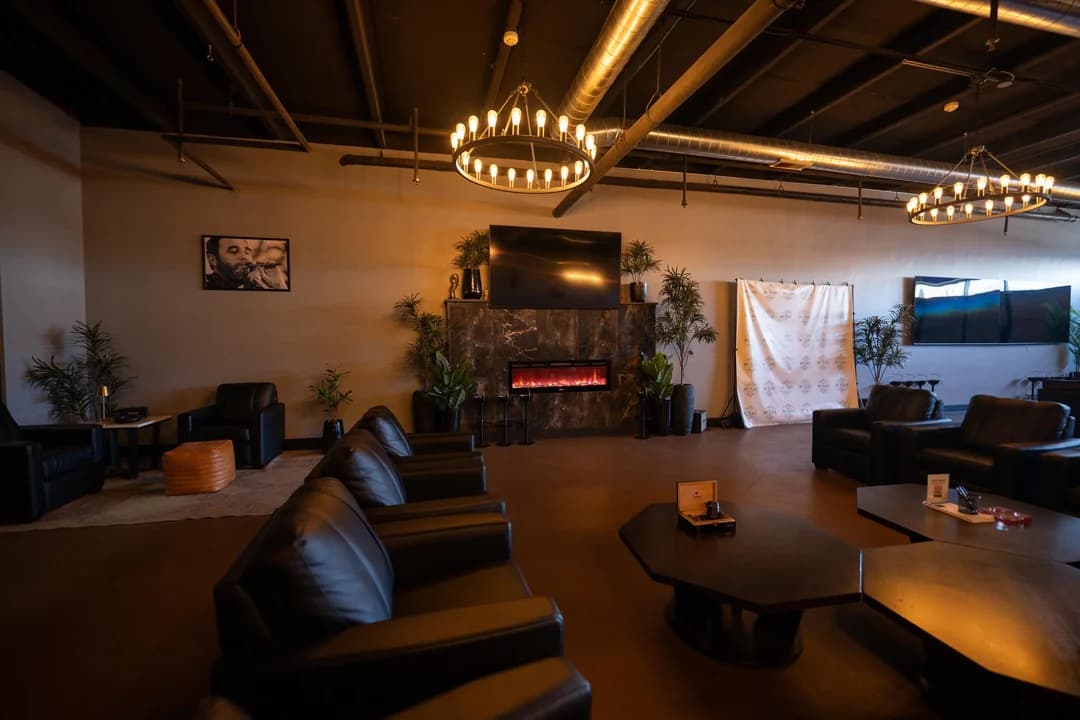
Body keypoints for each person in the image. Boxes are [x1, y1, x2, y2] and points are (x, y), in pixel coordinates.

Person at [204, 236, 288, 290]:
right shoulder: (207, 285)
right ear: (212, 260)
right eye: (234, 251)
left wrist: (279, 285)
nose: (245, 257)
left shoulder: (257, 287)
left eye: (247, 252)